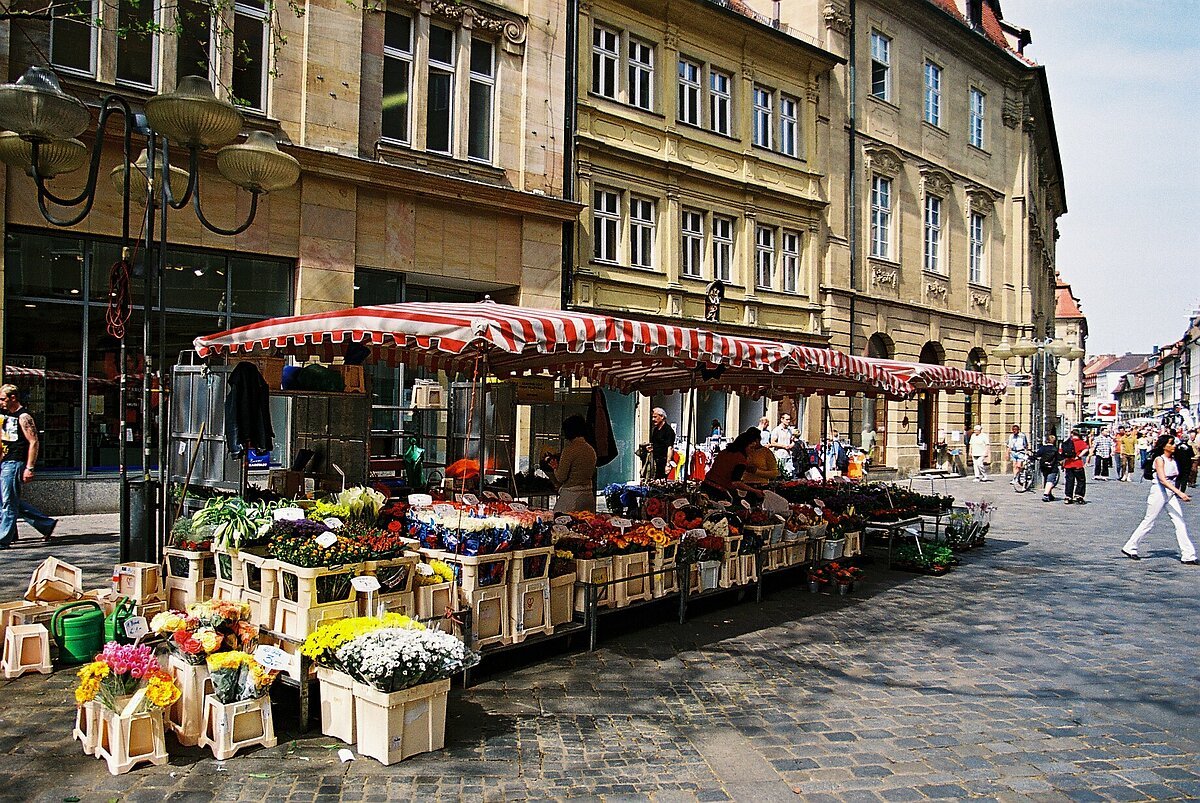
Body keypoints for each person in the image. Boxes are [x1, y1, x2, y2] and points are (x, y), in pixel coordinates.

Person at [1121, 433, 1198, 564]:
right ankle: (1130, 546)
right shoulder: (1159, 460)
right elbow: (1162, 479)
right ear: (1164, 446)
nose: (1173, 446)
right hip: (1159, 492)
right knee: (1149, 521)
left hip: (1170, 494)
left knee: (1179, 522)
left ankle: (1188, 555)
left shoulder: (1173, 459)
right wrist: (1180, 493)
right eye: (1171, 443)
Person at [0, 384, 57, 548]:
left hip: (14, 462)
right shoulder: (6, 415)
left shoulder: (24, 417)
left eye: (3, 399)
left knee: (8, 502)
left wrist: (29, 467)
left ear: (13, 398)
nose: (1, 402)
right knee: (8, 500)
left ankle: (3, 538)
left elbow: (33, 442)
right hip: (5, 461)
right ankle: (44, 524)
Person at [701, 428, 766, 503]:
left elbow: (724, 467)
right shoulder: (741, 459)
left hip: (705, 485)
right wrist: (755, 491)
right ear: (744, 446)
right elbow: (735, 482)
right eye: (751, 448)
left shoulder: (724, 452)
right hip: (718, 491)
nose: (752, 451)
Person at [551, 415, 597, 513]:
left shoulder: (569, 450)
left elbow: (561, 477)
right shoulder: (591, 450)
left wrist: (555, 467)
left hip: (571, 497)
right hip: (588, 495)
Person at [1061, 428, 1089, 504]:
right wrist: (1079, 456)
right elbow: (1086, 449)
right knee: (1081, 480)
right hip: (1077, 464)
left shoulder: (1067, 443)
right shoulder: (1081, 442)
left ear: (1071, 434)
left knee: (1069, 481)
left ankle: (1068, 496)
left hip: (1068, 464)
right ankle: (1079, 495)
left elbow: (1061, 452)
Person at [649, 407, 675, 480]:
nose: (653, 419)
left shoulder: (668, 431)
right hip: (656, 461)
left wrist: (668, 464)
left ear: (662, 417)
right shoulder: (655, 430)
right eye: (652, 417)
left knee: (662, 482)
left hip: (664, 461)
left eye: (655, 417)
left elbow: (670, 448)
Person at [1034, 434, 1061, 501]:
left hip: (1044, 466)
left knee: (1047, 479)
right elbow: (1059, 458)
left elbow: (1037, 455)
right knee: (1050, 480)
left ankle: (1050, 494)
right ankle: (1046, 495)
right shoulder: (1055, 449)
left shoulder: (1043, 448)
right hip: (1053, 467)